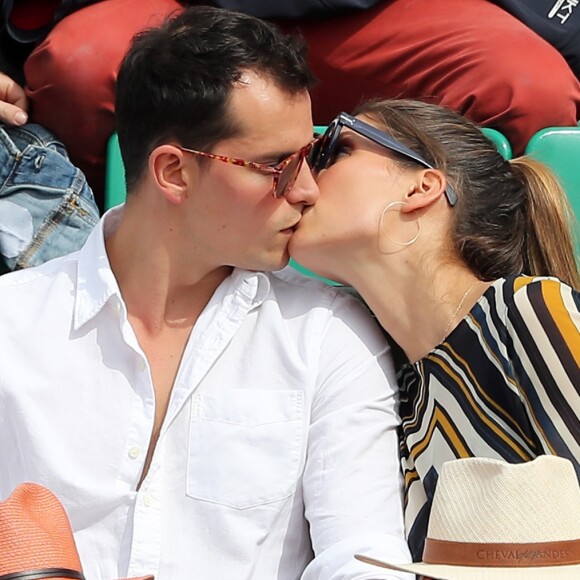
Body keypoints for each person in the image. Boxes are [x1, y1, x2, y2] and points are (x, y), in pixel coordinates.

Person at [0, 7, 412, 579]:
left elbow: (366, 558)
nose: (308, 188)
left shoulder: (328, 334)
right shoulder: (10, 325)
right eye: (276, 165)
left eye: (310, 156)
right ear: (173, 172)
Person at [290, 98, 580, 562]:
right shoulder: (393, 384)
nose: (302, 176)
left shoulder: (528, 312)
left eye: (334, 149)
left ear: (421, 188)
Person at [2, 0, 580, 207]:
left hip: (380, 12)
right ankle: (120, 298)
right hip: (182, 7)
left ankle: (469, 331)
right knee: (78, 68)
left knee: (530, 89)